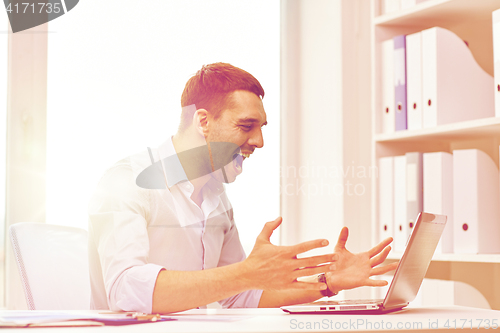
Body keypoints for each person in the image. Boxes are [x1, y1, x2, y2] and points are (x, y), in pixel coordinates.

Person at [88, 62, 398, 314]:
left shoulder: (215, 197)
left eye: (261, 128)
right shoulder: (127, 182)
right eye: (245, 126)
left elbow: (241, 296)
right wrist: (246, 273)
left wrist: (328, 282)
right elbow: (124, 290)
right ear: (203, 121)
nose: (259, 142)